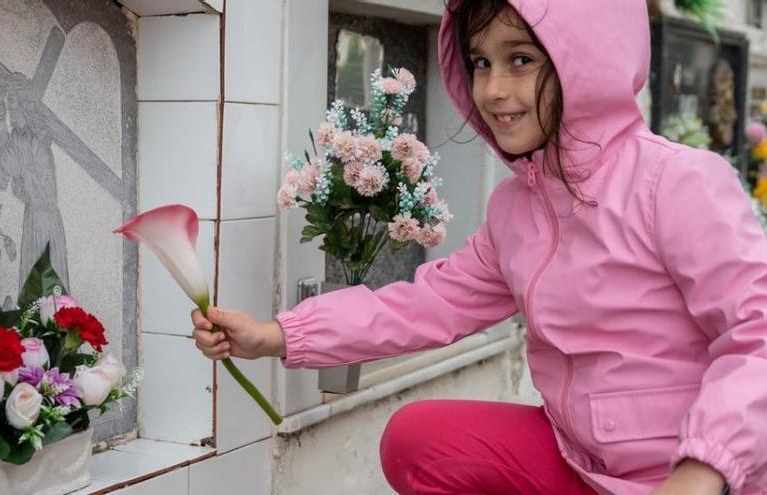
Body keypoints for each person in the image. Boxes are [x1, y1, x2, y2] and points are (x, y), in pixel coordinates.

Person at [192, 1, 764, 494]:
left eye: (521, 59)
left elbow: (756, 332)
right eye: (480, 62)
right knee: (418, 441)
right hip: (584, 465)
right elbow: (429, 303)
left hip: (699, 474)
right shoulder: (517, 209)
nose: (492, 90)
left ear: (586, 59)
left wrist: (701, 467)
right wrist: (279, 335)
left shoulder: (676, 181)